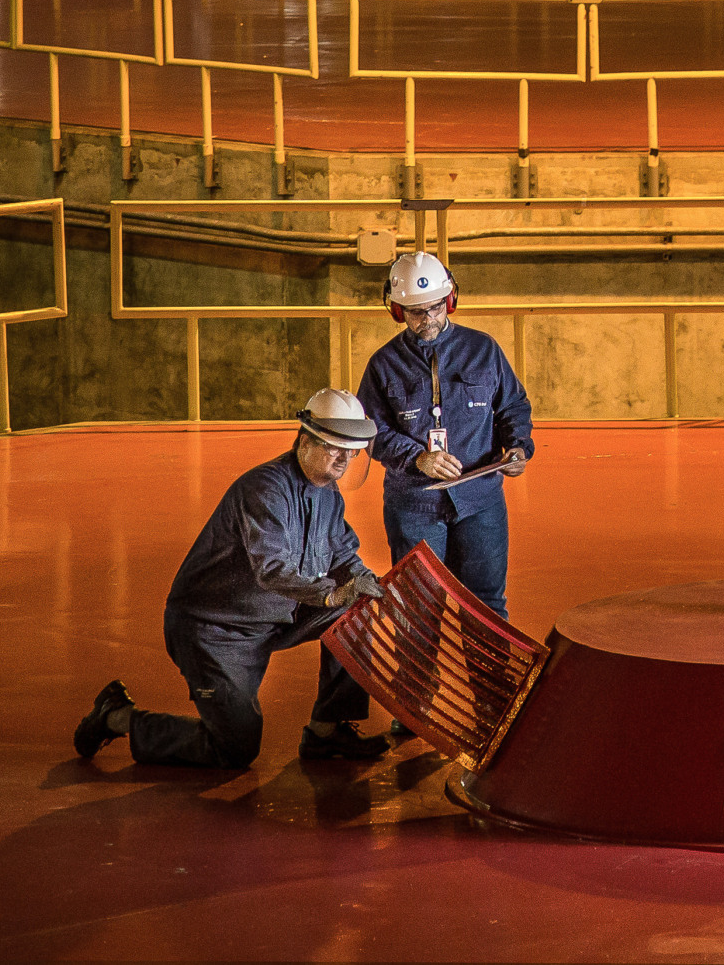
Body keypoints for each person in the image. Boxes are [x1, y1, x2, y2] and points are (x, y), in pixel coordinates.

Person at [72, 389, 391, 768]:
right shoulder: (265, 490)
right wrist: (332, 596)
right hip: (216, 628)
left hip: (274, 615)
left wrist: (365, 580)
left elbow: (340, 552)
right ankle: (116, 716)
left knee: (358, 611)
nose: (345, 459)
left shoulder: (328, 493)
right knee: (235, 747)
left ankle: (326, 731)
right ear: (305, 440)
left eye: (352, 451)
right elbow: (272, 569)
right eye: (336, 448)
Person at [355, 251, 533, 619]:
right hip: (413, 505)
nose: (428, 319)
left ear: (450, 300)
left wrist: (517, 445)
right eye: (416, 312)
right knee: (418, 610)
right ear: (397, 311)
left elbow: (512, 405)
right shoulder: (383, 365)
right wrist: (417, 457)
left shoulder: (483, 350)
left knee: (486, 605)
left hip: (480, 501)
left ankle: (487, 679)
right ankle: (416, 678)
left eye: (436, 307)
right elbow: (370, 431)